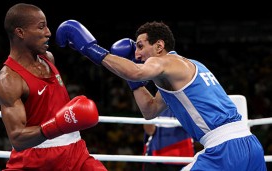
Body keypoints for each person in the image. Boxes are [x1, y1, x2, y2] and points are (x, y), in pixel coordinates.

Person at [55, 20, 267, 170]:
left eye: (140, 46)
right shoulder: (184, 69)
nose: (136, 54)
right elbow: (150, 110)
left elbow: (136, 71)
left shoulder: (165, 61)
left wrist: (91, 48)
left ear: (159, 46)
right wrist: (133, 82)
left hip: (224, 148)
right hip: (249, 143)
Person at [0, 4, 107, 170]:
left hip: (76, 153)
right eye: (41, 27)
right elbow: (17, 139)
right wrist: (58, 124)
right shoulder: (9, 80)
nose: (48, 32)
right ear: (20, 32)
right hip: (36, 160)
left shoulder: (48, 58)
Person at [110, 39, 195, 171]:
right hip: (164, 155)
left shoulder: (184, 97)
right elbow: (150, 128)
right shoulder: (162, 98)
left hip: (175, 155)